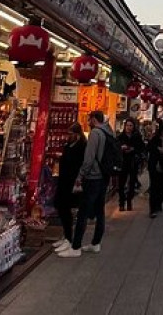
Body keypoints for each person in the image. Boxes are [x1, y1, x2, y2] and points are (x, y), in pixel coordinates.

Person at [58, 110, 115, 258]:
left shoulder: (96, 134)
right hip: (104, 177)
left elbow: (89, 159)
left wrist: (80, 175)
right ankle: (96, 243)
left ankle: (75, 247)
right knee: (100, 211)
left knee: (83, 212)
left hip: (93, 178)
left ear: (94, 119)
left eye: (89, 119)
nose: (88, 122)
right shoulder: (109, 132)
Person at [51, 123, 87, 252]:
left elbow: (80, 164)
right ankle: (66, 235)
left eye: (71, 134)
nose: (68, 136)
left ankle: (69, 237)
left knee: (66, 208)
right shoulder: (68, 145)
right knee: (61, 207)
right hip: (63, 180)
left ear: (77, 135)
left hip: (72, 182)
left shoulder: (82, 146)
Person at [117, 118, 145, 211]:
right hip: (123, 162)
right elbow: (116, 148)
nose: (128, 127)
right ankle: (121, 202)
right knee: (121, 183)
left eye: (130, 125)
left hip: (133, 162)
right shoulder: (120, 137)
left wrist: (133, 149)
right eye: (127, 125)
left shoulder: (137, 137)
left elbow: (141, 148)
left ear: (133, 127)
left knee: (132, 183)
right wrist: (121, 148)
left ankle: (129, 201)